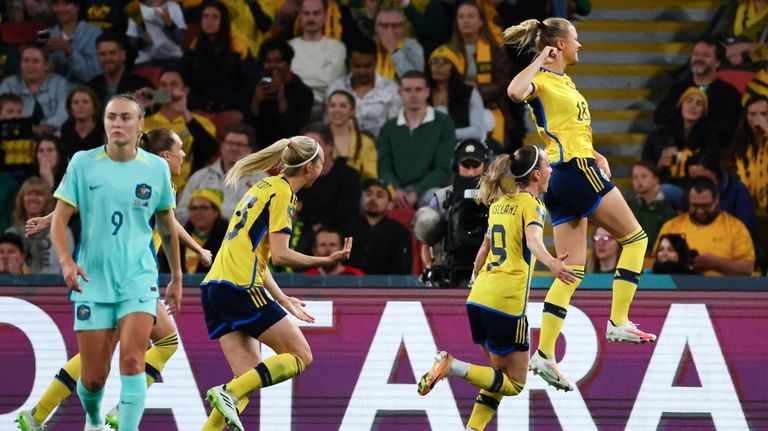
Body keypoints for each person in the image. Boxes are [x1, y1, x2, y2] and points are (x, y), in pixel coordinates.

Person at [19, 127, 213, 431]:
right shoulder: (155, 177)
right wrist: (195, 252)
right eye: (179, 150)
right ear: (165, 156)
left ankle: (38, 415)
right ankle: (120, 411)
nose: (183, 155)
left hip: (109, 271)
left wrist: (48, 219)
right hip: (131, 275)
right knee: (165, 341)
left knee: (101, 352)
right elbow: (166, 224)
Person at [504, 17, 657, 392]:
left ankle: (544, 353)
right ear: (558, 44)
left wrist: (596, 153)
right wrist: (540, 58)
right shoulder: (541, 78)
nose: (581, 46)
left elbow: (567, 131)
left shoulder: (564, 82)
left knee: (571, 269)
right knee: (636, 239)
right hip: (573, 171)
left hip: (563, 175)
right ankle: (618, 320)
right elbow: (513, 90)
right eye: (576, 39)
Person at [416, 146, 576, 431]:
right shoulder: (532, 205)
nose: (552, 170)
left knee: (499, 376)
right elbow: (533, 242)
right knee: (515, 383)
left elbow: (481, 255)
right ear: (537, 175)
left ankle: (473, 428)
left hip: (478, 298)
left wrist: (478, 278)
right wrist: (552, 263)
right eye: (549, 166)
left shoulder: (500, 203)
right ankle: (451, 365)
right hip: (506, 301)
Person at [48, 94, 182, 431]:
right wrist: (65, 260)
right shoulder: (82, 162)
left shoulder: (156, 169)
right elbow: (59, 220)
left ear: (139, 127)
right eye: (111, 117)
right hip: (92, 280)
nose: (117, 123)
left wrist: (177, 276)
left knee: (134, 360)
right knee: (93, 379)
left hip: (138, 277)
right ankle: (94, 420)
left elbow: (166, 225)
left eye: (125, 117)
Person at [200, 135, 352, 431]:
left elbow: (258, 253)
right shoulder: (283, 194)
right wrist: (325, 260)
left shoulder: (261, 186)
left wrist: (282, 299)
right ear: (311, 168)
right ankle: (226, 392)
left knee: (245, 380)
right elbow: (281, 255)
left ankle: (227, 397)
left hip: (216, 288)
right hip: (240, 288)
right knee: (300, 355)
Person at [377, 70, 457, 208]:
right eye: (408, 90)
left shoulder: (444, 123)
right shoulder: (388, 128)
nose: (413, 95)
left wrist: (416, 191)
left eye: (418, 89)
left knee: (435, 198)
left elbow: (442, 169)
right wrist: (395, 189)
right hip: (396, 191)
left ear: (427, 92)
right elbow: (384, 168)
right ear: (400, 93)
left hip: (429, 190)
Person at [420, 138, 489, 287]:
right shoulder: (440, 198)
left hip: (489, 268)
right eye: (466, 165)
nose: (471, 171)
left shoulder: (498, 197)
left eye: (476, 165)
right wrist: (429, 267)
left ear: (485, 166)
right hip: (450, 267)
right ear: (456, 166)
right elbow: (427, 240)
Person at [656, 176, 755, 276]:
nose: (699, 211)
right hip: (679, 287)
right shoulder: (671, 226)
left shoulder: (735, 227)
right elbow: (654, 263)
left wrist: (716, 263)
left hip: (723, 288)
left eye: (705, 206)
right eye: (694, 206)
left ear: (717, 199)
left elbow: (747, 268)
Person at [653, 37, 741, 147]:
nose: (699, 58)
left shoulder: (728, 93)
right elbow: (659, 117)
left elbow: (729, 128)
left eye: (706, 55)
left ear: (718, 63)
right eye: (696, 54)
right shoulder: (679, 88)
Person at [143, 66, 219, 192]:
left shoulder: (200, 123)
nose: (167, 89)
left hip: (190, 188)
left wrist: (184, 112)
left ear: (185, 90)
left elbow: (210, 150)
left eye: (173, 84)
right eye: (163, 85)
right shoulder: (144, 122)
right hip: (151, 187)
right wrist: (137, 108)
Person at [642, 86, 720, 207]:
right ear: (681, 105)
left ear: (703, 111)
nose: (693, 106)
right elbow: (644, 171)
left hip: (697, 191)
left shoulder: (710, 138)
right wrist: (660, 165)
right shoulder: (658, 137)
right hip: (663, 186)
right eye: (689, 101)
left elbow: (713, 170)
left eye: (699, 104)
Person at [176, 122, 266, 224]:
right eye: (230, 143)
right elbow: (181, 213)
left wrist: (218, 220)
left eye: (240, 145)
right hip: (201, 236)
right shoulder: (199, 177)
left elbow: (264, 215)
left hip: (241, 237)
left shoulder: (261, 180)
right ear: (222, 146)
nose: (234, 148)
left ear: (250, 150)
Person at [182, 0, 258, 113]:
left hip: (232, 106)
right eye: (205, 16)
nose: (209, 21)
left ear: (223, 21)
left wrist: (227, 106)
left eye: (215, 17)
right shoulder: (194, 46)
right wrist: (196, 104)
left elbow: (248, 83)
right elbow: (187, 79)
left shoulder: (239, 47)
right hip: (200, 106)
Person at [325, 36, 401, 137]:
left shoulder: (391, 90)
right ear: (348, 64)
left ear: (376, 62)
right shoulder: (335, 89)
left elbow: (396, 129)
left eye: (367, 66)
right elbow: (327, 126)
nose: (362, 72)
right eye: (357, 66)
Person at [250, 37, 314, 149]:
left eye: (278, 61)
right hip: (257, 148)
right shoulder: (255, 86)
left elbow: (295, 133)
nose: (273, 66)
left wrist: (281, 100)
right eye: (268, 61)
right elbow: (248, 129)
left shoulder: (303, 92)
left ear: (288, 64)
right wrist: (255, 102)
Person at [288, 0, 347, 120]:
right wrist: (320, 72)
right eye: (306, 13)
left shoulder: (337, 47)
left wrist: (298, 76)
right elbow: (286, 81)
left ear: (325, 15)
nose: (311, 18)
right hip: (293, 107)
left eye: (316, 13)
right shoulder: (289, 47)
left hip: (325, 108)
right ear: (300, 15)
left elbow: (331, 79)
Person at [5, 176, 74, 275]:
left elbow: (68, 266)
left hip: (55, 287)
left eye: (38, 194)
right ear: (22, 199)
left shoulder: (63, 230)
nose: (33, 198)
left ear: (47, 200)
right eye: (28, 194)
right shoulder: (10, 234)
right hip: (17, 287)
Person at [344, 178, 413, 274]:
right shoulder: (347, 228)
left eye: (380, 195)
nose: (372, 198)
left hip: (385, 286)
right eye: (368, 194)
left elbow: (403, 271)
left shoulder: (400, 232)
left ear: (390, 205)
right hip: (349, 285)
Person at [0, 44, 71, 136]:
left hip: (53, 138)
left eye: (35, 61)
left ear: (46, 65)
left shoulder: (59, 83)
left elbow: (64, 111)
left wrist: (48, 126)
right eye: (26, 61)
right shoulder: (9, 83)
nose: (30, 65)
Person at [427, 44, 487, 142]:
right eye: (434, 61)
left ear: (456, 67)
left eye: (445, 61)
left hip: (461, 150)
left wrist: (447, 134)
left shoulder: (470, 93)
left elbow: (478, 131)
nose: (438, 66)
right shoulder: (422, 92)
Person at [86, 31, 154, 110]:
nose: (107, 58)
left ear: (123, 55)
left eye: (112, 53)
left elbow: (166, 97)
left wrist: (152, 96)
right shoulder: (90, 87)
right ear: (97, 57)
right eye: (102, 54)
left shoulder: (140, 84)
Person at [44, 0, 103, 83]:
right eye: (56, 4)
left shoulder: (94, 32)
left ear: (77, 7)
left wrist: (69, 51)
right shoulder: (46, 34)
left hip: (85, 92)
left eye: (66, 4)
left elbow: (92, 74)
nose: (60, 9)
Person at [626, 161, 676, 255]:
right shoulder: (629, 207)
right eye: (635, 177)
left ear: (656, 180)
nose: (639, 181)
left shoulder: (666, 208)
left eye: (644, 176)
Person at [325, 89, 378, 179]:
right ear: (327, 110)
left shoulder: (366, 142)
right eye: (332, 105)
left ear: (352, 111)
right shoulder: (315, 140)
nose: (337, 110)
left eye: (343, 106)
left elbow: (371, 178)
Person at [729, 94, 768, 212]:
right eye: (752, 114)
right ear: (746, 117)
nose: (758, 119)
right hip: (746, 207)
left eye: (763, 114)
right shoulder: (737, 145)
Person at [59, 86, 105, 160]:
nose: (80, 106)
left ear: (94, 107)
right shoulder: (66, 129)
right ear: (70, 109)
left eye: (85, 102)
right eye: (76, 102)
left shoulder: (104, 128)